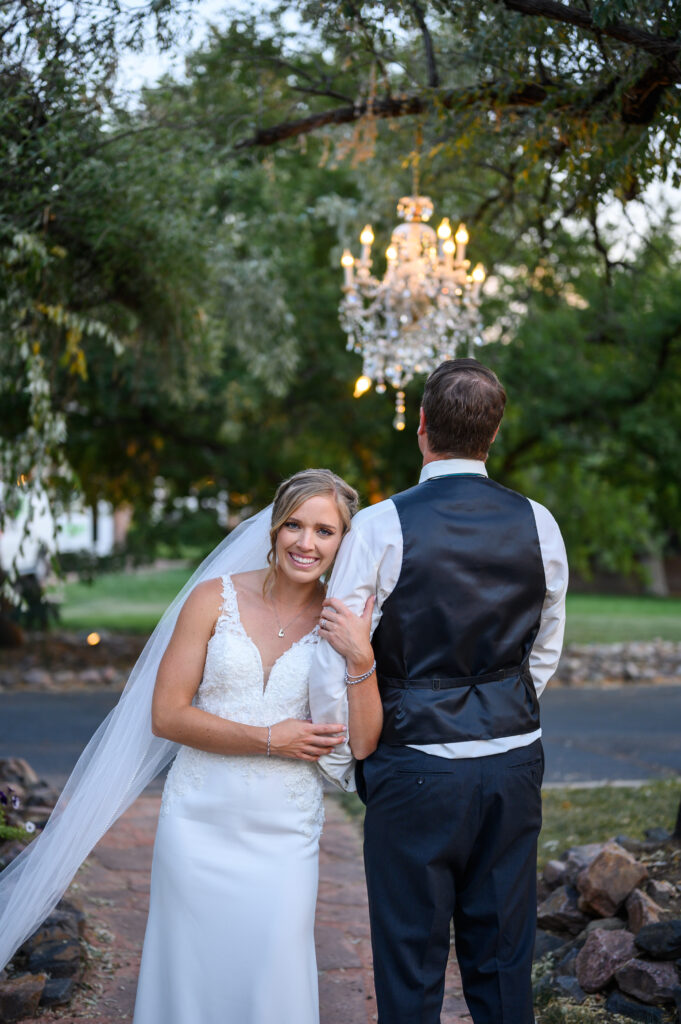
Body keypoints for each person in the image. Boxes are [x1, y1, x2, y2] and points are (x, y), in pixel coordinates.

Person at [0, 469, 381, 1024]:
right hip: (199, 816)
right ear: (274, 528)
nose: (306, 542)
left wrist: (362, 658)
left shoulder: (344, 619)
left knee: (272, 966)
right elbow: (167, 714)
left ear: (343, 541)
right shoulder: (212, 598)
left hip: (285, 827)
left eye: (325, 531)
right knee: (190, 968)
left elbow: (365, 741)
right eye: (295, 525)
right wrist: (271, 738)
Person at [310, 359, 569, 1024]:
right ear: (494, 432)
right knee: (504, 955)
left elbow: (336, 650)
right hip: (512, 762)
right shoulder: (538, 523)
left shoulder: (378, 524)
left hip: (412, 765)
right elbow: (543, 648)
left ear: (421, 428)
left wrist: (346, 762)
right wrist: (504, 714)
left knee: (409, 957)